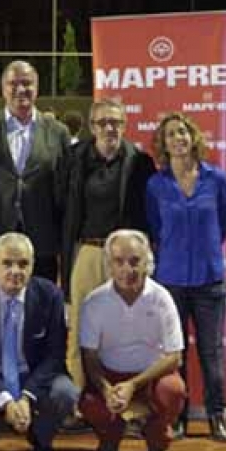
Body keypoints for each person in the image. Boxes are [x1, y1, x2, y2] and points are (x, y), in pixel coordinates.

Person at [146, 113, 226, 442]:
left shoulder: (217, 179)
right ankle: (177, 416)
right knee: (175, 353)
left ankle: (215, 416)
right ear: (163, 144)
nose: (178, 138)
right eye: (171, 134)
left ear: (193, 137)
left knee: (211, 352)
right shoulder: (156, 185)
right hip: (171, 281)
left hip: (209, 280)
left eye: (183, 132)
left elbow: (223, 223)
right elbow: (156, 228)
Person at [0, 232, 78, 451]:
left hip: (32, 376)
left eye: (23, 264)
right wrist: (5, 399)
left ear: (32, 266)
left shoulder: (50, 294)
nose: (15, 271)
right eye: (7, 263)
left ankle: (41, 439)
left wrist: (26, 397)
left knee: (66, 392)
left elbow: (55, 355)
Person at [61, 100, 155, 396]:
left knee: (125, 329)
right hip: (86, 251)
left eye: (115, 122)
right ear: (92, 126)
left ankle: (125, 401)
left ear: (125, 125)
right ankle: (77, 399)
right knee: (78, 326)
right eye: (102, 123)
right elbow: (61, 206)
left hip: (123, 258)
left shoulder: (140, 162)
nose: (109, 128)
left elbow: (146, 214)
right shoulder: (73, 158)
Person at [79, 230, 186, 451]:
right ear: (109, 265)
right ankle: (110, 436)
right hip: (111, 376)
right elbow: (90, 355)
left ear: (148, 262)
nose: (127, 269)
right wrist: (107, 390)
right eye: (119, 261)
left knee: (173, 391)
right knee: (89, 403)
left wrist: (134, 385)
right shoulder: (94, 302)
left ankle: (156, 438)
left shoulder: (162, 299)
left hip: (152, 376)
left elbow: (175, 357)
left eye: (135, 261)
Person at [0, 60, 70, 281]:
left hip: (42, 242)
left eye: (27, 83)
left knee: (39, 306)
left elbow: (64, 190)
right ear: (3, 88)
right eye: (13, 83)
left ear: (37, 87)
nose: (20, 89)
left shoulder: (58, 133)